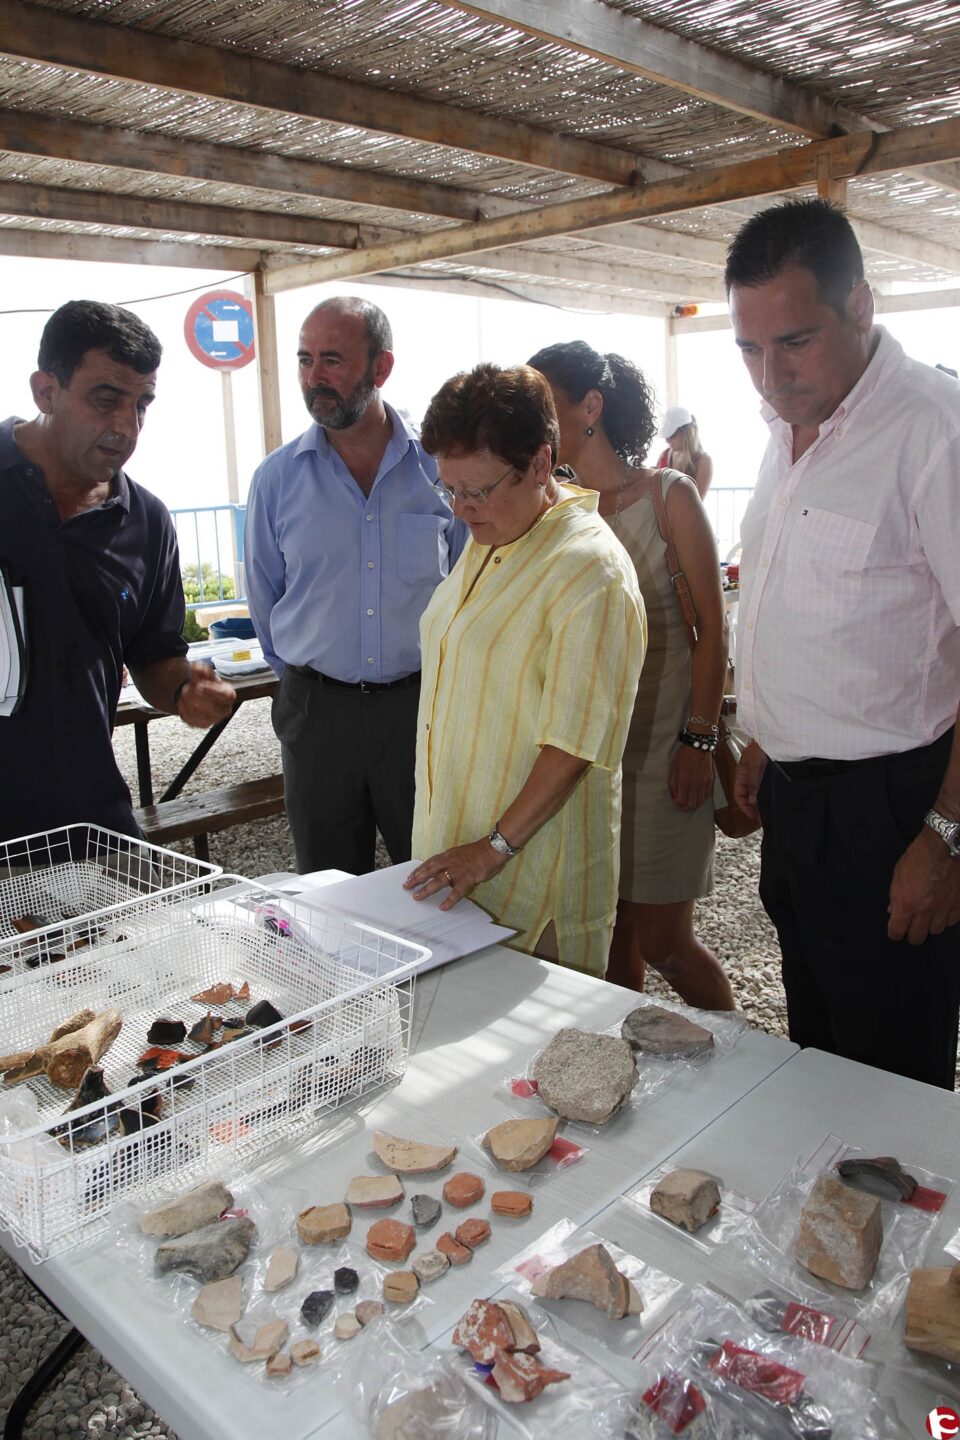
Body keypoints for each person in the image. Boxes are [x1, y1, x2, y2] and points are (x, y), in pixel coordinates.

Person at [727, 197, 960, 1090]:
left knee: (893, 1084)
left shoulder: (932, 431)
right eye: (748, 349)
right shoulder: (787, 429)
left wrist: (944, 837)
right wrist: (766, 735)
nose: (770, 376)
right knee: (818, 1054)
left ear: (859, 307)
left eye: (794, 341)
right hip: (796, 806)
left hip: (894, 812)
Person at [402, 363, 645, 975]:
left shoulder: (590, 571)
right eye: (447, 489)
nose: (460, 510)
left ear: (540, 464)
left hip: (530, 879)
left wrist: (493, 849)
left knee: (528, 1062)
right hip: (456, 858)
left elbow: (575, 743)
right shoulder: (495, 532)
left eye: (476, 491)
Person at [529, 342, 734, 1009]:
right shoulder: (554, 512)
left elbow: (712, 629)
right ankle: (631, 1085)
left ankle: (743, 1073)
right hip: (590, 760)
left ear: (590, 407)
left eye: (545, 398)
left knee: (666, 942)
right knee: (606, 936)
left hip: (665, 750)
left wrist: (701, 740)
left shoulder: (668, 497)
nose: (532, 412)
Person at [0, 300, 236, 844]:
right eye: (106, 400)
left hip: (88, 823)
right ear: (45, 391)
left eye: (142, 405)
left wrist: (184, 692)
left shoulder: (148, 521)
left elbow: (153, 656)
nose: (126, 426)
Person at [244, 297, 466, 876]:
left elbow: (472, 589)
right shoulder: (275, 479)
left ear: (381, 368)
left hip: (420, 713)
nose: (314, 377)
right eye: (304, 359)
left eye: (333, 360)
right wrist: (309, 686)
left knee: (432, 886)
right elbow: (265, 602)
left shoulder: (441, 471)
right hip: (317, 716)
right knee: (326, 896)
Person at [656, 406, 713, 499]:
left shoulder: (703, 461)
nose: (667, 440)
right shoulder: (664, 455)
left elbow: (697, 502)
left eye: (672, 435)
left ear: (687, 431)